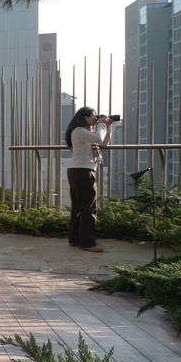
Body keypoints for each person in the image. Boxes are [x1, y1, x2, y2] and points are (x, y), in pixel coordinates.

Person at [65, 106, 112, 253]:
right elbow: (99, 138)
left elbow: (103, 143)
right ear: (85, 118)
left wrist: (107, 127)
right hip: (82, 172)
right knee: (89, 208)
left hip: (78, 171)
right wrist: (102, 124)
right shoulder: (79, 131)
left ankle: (74, 239)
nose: (96, 118)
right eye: (94, 116)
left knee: (79, 207)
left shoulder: (86, 133)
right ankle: (87, 242)